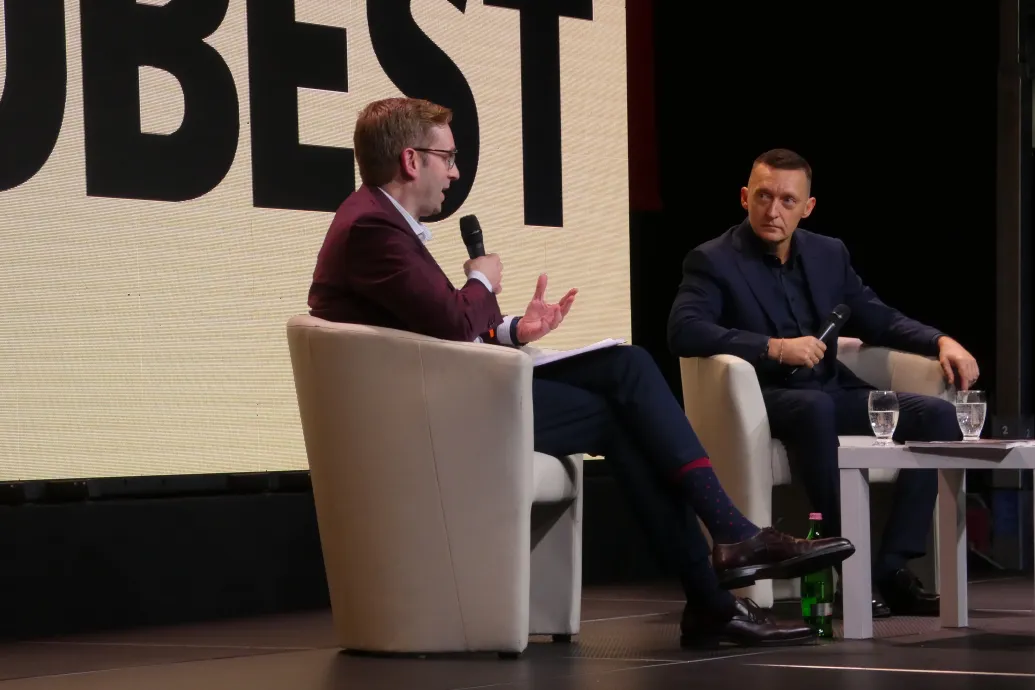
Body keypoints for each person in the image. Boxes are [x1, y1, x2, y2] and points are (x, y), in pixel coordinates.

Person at [307, 99, 855, 648]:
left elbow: (432, 329)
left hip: (446, 394)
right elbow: (449, 322)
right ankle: (729, 548)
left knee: (625, 390)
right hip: (426, 416)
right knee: (628, 375)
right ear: (411, 160)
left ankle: (716, 593)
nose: (453, 172)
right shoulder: (372, 229)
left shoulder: (381, 222)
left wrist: (514, 330)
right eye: (447, 158)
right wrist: (481, 282)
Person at [667, 148, 981, 618]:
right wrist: (774, 347)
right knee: (815, 409)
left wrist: (940, 339)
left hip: (833, 390)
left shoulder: (828, 253)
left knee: (938, 415)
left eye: (788, 201)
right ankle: (850, 568)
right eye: (763, 196)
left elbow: (877, 317)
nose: (773, 211)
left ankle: (891, 568)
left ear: (807, 207)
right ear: (744, 197)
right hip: (766, 398)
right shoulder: (713, 260)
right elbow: (684, 329)